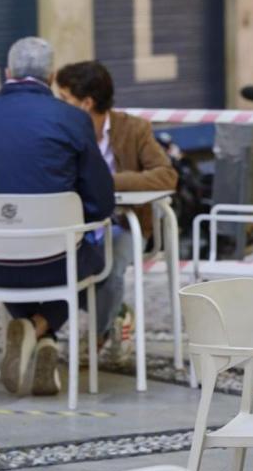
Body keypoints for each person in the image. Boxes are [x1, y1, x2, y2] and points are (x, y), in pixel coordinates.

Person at [0, 37, 115, 397]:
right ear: (51, 76)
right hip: (57, 262)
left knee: (15, 256)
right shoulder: (72, 119)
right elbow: (101, 202)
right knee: (96, 259)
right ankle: (41, 328)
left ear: (8, 72)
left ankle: (31, 329)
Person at [54, 60, 178, 358]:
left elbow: (166, 175)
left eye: (64, 99)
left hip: (125, 222)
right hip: (74, 224)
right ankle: (117, 313)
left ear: (86, 103)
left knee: (110, 269)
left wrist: (106, 182)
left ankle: (97, 336)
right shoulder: (60, 130)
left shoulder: (134, 128)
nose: (57, 105)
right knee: (52, 266)